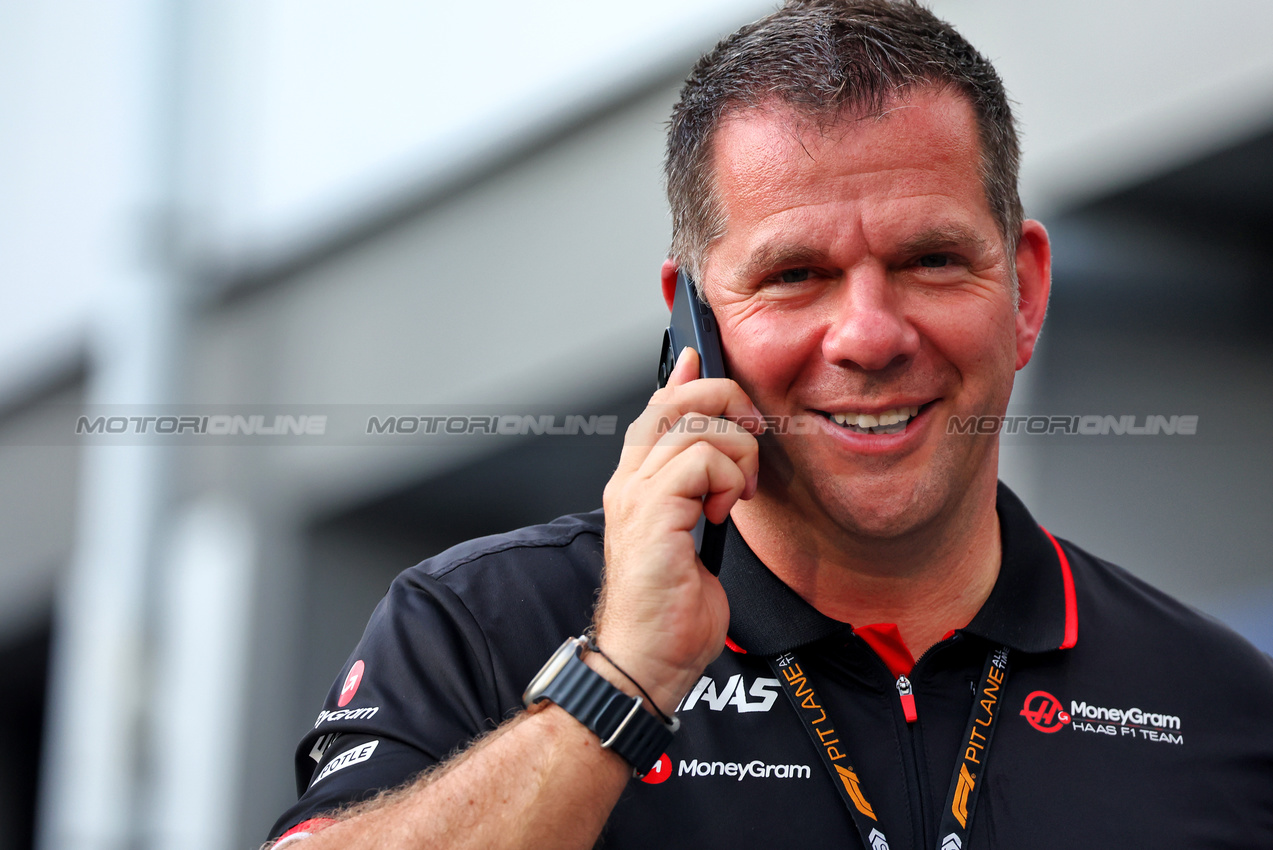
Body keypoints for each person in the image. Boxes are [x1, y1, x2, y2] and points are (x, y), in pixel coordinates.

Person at [265, 2, 1273, 847]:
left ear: (1024, 291)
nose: (869, 335)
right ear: (689, 316)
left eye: (930, 259)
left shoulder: (1222, 704)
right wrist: (617, 682)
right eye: (795, 276)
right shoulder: (486, 623)